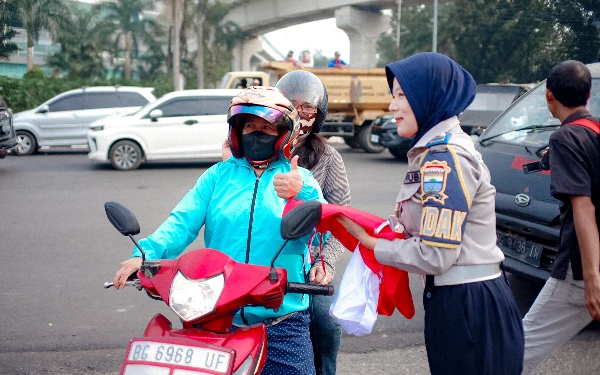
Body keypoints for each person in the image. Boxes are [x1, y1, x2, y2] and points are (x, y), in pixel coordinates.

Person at [113, 86, 326, 375]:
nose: (257, 133)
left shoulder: (298, 178)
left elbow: (326, 223)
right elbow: (182, 221)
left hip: (280, 318)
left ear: (283, 135)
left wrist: (301, 194)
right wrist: (146, 255)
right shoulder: (218, 176)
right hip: (215, 313)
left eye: (266, 127)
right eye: (250, 126)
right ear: (237, 132)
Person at [336, 52, 524, 375]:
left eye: (401, 95)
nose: (392, 106)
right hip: (455, 301)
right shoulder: (431, 153)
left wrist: (371, 243)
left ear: (428, 96)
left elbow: (435, 254)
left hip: (469, 307)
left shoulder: (445, 159)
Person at [521, 60, 600, 374]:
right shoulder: (594, 130)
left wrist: (591, 279)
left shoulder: (564, 138)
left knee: (518, 349)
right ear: (588, 94)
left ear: (548, 95)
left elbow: (584, 206)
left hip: (579, 270)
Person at [276, 71, 351, 375]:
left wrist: (326, 263)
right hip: (262, 257)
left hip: (308, 260)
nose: (299, 113)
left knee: (325, 321)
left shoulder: (327, 157)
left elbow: (341, 215)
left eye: (308, 108)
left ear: (318, 115)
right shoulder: (258, 151)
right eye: (292, 105)